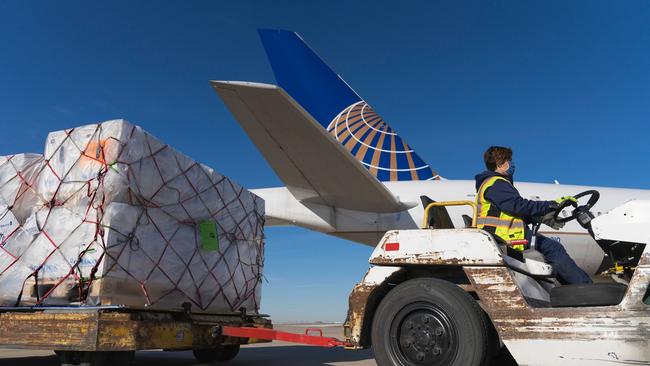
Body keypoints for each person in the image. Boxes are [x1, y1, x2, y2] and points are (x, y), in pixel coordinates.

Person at [475, 146, 592, 285]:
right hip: (502, 236)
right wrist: (551, 205)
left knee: (550, 250)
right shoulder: (496, 183)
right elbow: (518, 205)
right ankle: (582, 287)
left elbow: (511, 212)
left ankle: (569, 288)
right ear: (500, 164)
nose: (512, 164)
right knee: (554, 248)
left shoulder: (494, 183)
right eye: (509, 160)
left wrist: (543, 218)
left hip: (504, 234)